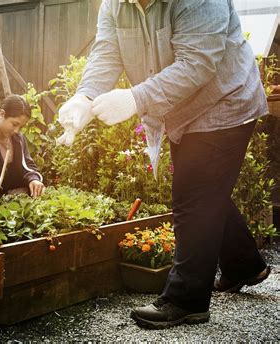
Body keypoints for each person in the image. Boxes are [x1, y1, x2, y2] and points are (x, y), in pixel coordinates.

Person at [57, 0, 270, 329]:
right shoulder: (115, 5)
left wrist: (135, 98)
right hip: (181, 109)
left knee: (194, 194)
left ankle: (186, 301)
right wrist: (84, 97)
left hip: (225, 101)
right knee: (206, 190)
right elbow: (107, 53)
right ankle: (245, 264)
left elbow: (197, 64)